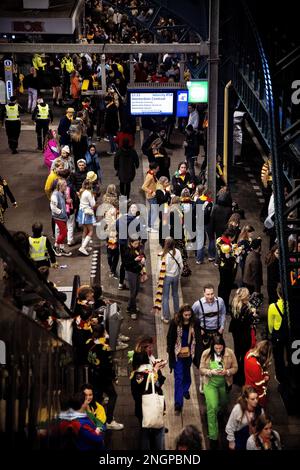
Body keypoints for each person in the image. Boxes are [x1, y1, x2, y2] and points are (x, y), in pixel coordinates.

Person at [200, 335, 238, 449]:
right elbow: (201, 369)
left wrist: (227, 372)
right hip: (210, 384)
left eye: (220, 348)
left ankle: (220, 413)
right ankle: (213, 437)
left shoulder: (229, 353)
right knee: (212, 406)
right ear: (212, 347)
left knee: (223, 403)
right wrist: (210, 372)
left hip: (224, 384)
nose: (218, 350)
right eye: (216, 348)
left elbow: (235, 368)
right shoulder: (206, 354)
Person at [86, 324, 124, 430]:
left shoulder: (89, 343)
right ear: (103, 333)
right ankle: (109, 420)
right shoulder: (104, 349)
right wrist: (114, 377)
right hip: (103, 378)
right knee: (113, 396)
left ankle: (96, 419)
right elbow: (109, 366)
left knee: (97, 397)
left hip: (93, 375)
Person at [167, 304, 202, 415]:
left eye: (189, 315)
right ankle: (178, 404)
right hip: (178, 353)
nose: (187, 317)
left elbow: (198, 337)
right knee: (178, 377)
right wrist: (170, 353)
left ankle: (185, 389)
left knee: (187, 374)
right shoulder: (175, 323)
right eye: (185, 315)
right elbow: (170, 338)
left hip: (189, 353)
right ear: (181, 314)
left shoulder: (195, 322)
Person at [130, 350, 166, 450]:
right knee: (158, 432)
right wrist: (156, 370)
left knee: (144, 434)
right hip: (154, 407)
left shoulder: (135, 375)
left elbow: (135, 394)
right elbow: (158, 384)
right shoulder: (149, 373)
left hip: (142, 410)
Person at [229, 288, 257, 385]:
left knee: (237, 352)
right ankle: (242, 377)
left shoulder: (234, 304)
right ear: (245, 297)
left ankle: (236, 375)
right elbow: (251, 323)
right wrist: (253, 313)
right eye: (248, 295)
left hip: (236, 332)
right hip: (244, 334)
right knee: (244, 354)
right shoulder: (247, 310)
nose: (249, 297)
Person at [225, 386, 264, 450]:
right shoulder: (238, 409)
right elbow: (230, 426)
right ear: (246, 399)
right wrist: (231, 441)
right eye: (252, 399)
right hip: (240, 436)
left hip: (253, 435)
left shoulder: (260, 409)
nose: (256, 401)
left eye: (257, 398)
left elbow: (263, 424)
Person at [155, 237, 183, 323]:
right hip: (175, 276)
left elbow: (159, 268)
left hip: (166, 277)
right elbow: (181, 265)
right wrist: (179, 276)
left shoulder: (163, 254)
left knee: (165, 297)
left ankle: (166, 317)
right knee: (175, 295)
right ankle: (177, 314)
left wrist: (157, 279)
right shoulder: (177, 252)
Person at [268, 284, 289, 384]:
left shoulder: (273, 307)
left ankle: (280, 376)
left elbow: (270, 324)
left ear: (277, 293)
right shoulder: (289, 305)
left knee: (278, 357)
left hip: (277, 335)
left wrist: (272, 333)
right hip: (287, 333)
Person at [244, 340, 272, 407]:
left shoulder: (249, 353)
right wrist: (266, 378)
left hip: (248, 384)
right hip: (257, 393)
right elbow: (258, 383)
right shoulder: (255, 365)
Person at [123, 238, 145, 319]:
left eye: (138, 243)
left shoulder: (138, 248)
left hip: (137, 271)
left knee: (136, 290)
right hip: (131, 272)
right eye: (135, 244)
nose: (137, 245)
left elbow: (142, 254)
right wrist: (134, 260)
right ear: (131, 243)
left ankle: (129, 307)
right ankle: (133, 310)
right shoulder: (127, 251)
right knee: (133, 292)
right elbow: (126, 264)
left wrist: (143, 258)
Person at [50, 179, 72, 257]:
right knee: (64, 232)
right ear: (60, 186)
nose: (66, 187)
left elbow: (61, 203)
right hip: (59, 217)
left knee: (63, 233)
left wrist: (67, 201)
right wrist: (61, 212)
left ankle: (61, 248)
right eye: (65, 186)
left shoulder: (61, 193)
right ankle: (55, 246)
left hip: (63, 216)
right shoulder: (55, 195)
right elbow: (53, 207)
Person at [77, 178, 97, 256]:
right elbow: (93, 204)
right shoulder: (89, 193)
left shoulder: (82, 191)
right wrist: (93, 197)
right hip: (87, 213)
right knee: (91, 231)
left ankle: (84, 246)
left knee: (85, 230)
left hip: (82, 212)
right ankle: (83, 247)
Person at [141, 162, 159, 231]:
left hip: (152, 196)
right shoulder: (150, 176)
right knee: (155, 211)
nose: (158, 170)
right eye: (157, 169)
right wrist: (151, 192)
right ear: (153, 169)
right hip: (151, 196)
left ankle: (148, 225)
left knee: (152, 211)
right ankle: (150, 225)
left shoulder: (152, 174)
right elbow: (143, 187)